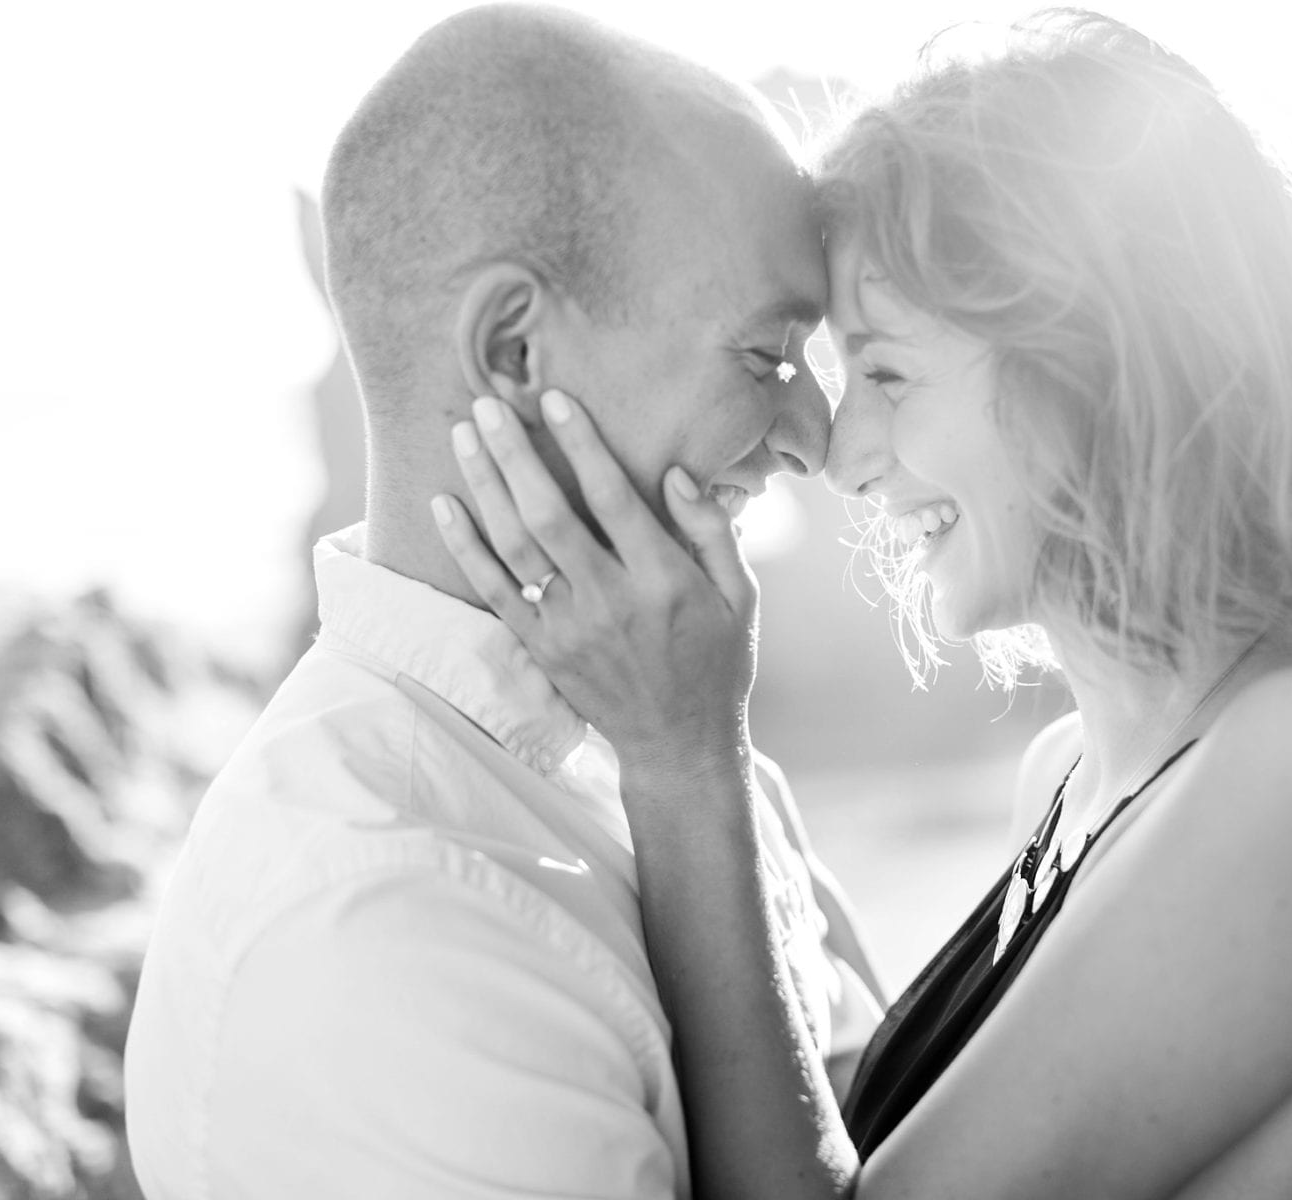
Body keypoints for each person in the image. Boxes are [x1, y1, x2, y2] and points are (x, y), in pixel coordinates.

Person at [435, 10, 1292, 1199]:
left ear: (1092, 365)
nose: (840, 451)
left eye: (884, 373)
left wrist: (686, 765)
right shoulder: (1073, 779)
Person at [122, 7, 883, 1198]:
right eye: (764, 357)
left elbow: (876, 1125)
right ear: (516, 354)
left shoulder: (673, 747)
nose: (812, 440)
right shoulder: (373, 923)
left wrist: (696, 770)